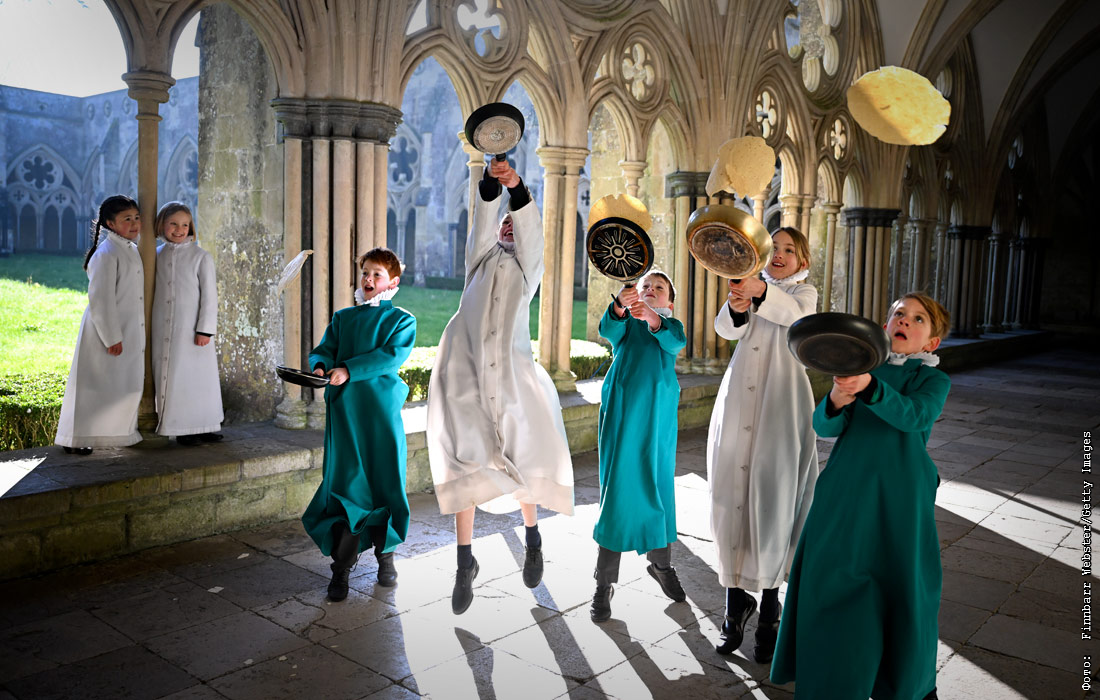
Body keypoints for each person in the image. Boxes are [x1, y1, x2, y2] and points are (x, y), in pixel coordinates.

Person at [770, 292, 951, 700]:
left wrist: (870, 388)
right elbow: (825, 428)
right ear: (884, 327)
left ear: (932, 341)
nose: (905, 320)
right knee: (832, 579)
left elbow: (915, 416)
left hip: (900, 496)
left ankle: (903, 684)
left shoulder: (932, 379)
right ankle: (832, 682)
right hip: (846, 489)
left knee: (902, 585)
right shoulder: (862, 367)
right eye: (898, 313)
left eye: (918, 318)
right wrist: (837, 398)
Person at [427, 158, 574, 615]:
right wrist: (492, 183)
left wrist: (518, 190)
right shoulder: (479, 262)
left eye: (515, 223)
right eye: (503, 223)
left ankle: (533, 539)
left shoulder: (528, 270)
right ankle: (463, 562)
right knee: (464, 464)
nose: (508, 226)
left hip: (512, 379)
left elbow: (532, 237)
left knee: (522, 459)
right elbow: (481, 224)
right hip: (466, 377)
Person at [706, 226, 819, 662]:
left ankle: (770, 609)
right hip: (738, 400)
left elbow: (797, 318)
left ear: (802, 261)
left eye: (789, 249)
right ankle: (734, 606)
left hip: (781, 404)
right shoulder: (752, 286)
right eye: (774, 248)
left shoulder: (804, 294)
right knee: (730, 495)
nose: (780, 254)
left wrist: (759, 293)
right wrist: (737, 307)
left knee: (773, 499)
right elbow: (726, 330)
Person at [302, 247, 417, 602]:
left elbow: (389, 356)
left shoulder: (402, 320)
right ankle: (342, 566)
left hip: (380, 415)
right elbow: (325, 349)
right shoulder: (343, 318)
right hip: (345, 414)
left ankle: (386, 556)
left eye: (377, 274)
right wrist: (321, 366)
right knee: (348, 485)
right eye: (365, 272)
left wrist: (349, 370)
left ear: (392, 282)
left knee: (386, 483)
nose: (368, 279)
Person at [589, 270, 687, 622]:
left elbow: (675, 343)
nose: (650, 290)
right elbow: (607, 330)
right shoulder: (626, 325)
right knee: (618, 492)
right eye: (645, 286)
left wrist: (653, 320)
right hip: (622, 415)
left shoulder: (670, 327)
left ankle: (661, 564)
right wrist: (620, 305)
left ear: (669, 303)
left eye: (659, 288)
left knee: (658, 489)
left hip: (657, 420)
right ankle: (603, 583)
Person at [55, 195, 145, 455]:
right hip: (104, 331)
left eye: (136, 217)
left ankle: (106, 434)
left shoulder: (129, 249)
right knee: (91, 386)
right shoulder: (106, 254)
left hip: (125, 328)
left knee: (115, 386)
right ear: (110, 224)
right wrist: (111, 336)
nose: (134, 223)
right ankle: (74, 438)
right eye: (127, 219)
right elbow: (101, 299)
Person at [151, 202, 224, 445]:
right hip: (164, 328)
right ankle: (182, 429)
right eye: (173, 224)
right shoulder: (155, 256)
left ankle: (206, 425)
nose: (179, 229)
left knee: (200, 380)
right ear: (161, 224)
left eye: (184, 224)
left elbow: (210, 297)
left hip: (193, 330)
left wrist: (205, 329)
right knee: (175, 379)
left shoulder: (201, 257)